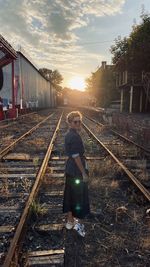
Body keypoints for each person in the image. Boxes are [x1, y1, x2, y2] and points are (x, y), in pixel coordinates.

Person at [63, 111, 90, 237]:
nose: (78, 123)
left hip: (70, 170)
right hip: (76, 171)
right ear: (69, 123)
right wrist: (83, 173)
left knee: (70, 195)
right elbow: (76, 156)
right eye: (75, 121)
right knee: (78, 197)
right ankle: (76, 222)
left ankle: (70, 221)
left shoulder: (69, 134)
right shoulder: (74, 137)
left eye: (79, 121)